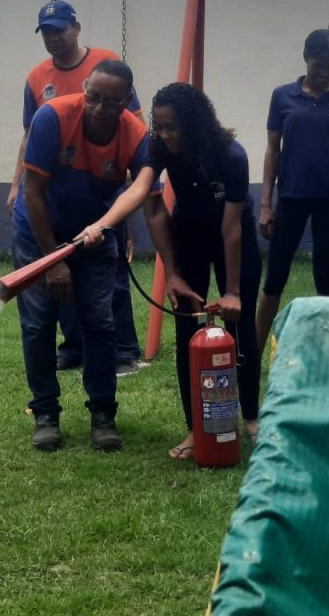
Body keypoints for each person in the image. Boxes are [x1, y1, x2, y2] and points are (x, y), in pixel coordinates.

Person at [78, 83, 262, 460]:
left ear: (194, 123)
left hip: (233, 241)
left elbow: (232, 229)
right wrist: (173, 273)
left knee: (241, 330)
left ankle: (252, 419)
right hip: (188, 238)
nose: (164, 135)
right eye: (159, 127)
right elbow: (155, 208)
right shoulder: (158, 149)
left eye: (172, 127)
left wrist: (232, 292)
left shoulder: (231, 156)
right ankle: (195, 427)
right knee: (187, 332)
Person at [12, 59, 152, 452]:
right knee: (39, 325)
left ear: (126, 102)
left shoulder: (135, 134)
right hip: (37, 232)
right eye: (94, 96)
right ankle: (45, 414)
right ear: (85, 88)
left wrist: (101, 232)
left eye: (111, 102)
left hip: (93, 238)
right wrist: (52, 261)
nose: (99, 107)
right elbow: (33, 193)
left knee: (99, 325)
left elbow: (144, 194)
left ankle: (103, 414)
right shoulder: (52, 116)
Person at [9, 0, 143, 377]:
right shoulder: (37, 79)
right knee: (57, 285)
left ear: (76, 27)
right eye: (47, 32)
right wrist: (15, 182)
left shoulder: (105, 64)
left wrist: (131, 171)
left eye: (59, 29)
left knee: (107, 277)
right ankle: (73, 347)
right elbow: (28, 136)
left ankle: (123, 348)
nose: (53, 37)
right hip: (52, 182)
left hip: (99, 185)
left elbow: (132, 121)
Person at [255, 28, 329, 363]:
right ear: (306, 58)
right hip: (291, 198)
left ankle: (327, 349)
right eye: (319, 65)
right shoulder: (282, 96)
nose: (325, 72)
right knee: (276, 275)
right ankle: (254, 348)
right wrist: (266, 204)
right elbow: (272, 150)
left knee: (325, 275)